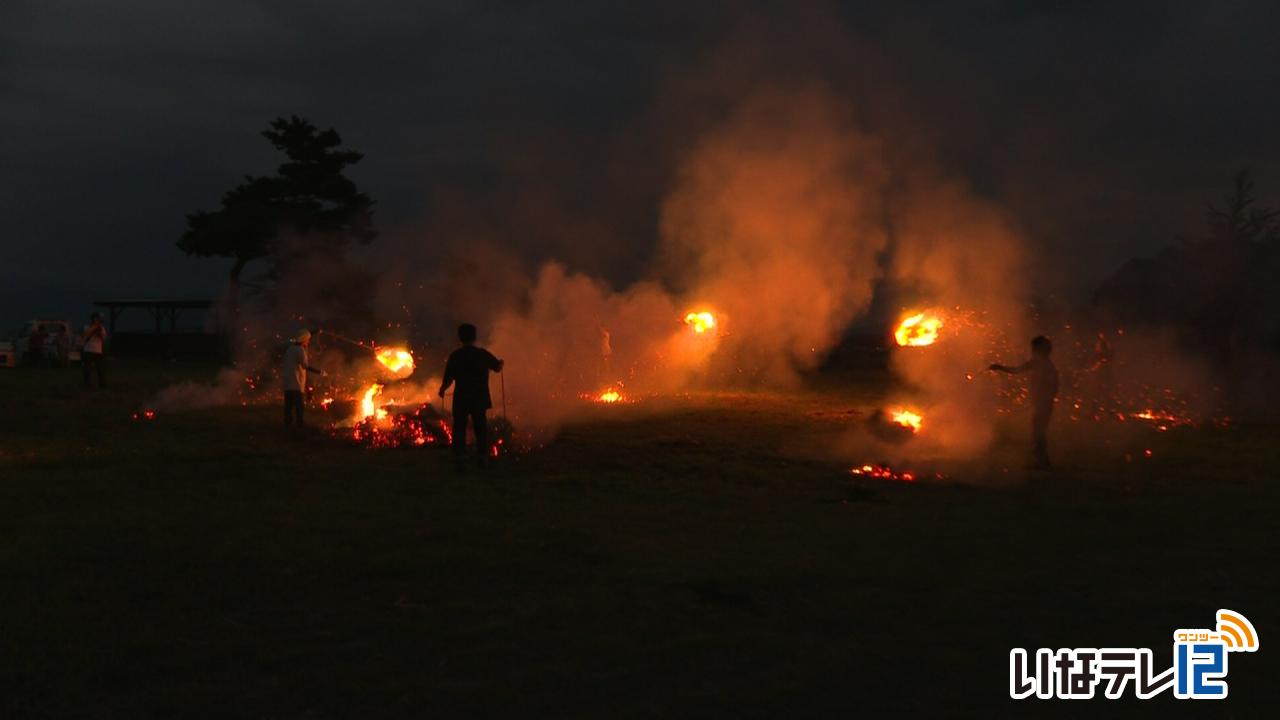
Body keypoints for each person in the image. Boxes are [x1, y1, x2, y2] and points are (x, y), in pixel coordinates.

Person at [439, 323, 504, 471]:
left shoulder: (455, 356)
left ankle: (460, 460)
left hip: (461, 398)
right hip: (479, 397)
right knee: (480, 428)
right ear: (474, 337)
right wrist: (501, 363)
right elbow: (497, 367)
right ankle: (482, 458)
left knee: (459, 429)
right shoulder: (482, 354)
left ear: (460, 338)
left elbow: (448, 378)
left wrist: (443, 389)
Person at [989, 335, 1060, 469]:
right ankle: (1041, 460)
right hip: (1043, 404)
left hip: (1043, 404)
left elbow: (1018, 370)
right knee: (1038, 431)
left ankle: (1043, 462)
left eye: (1034, 348)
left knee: (1038, 431)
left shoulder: (1041, 364)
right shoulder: (1045, 363)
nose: (1032, 351)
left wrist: (999, 367)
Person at [282, 329, 324, 427]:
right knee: (299, 408)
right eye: (308, 340)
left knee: (288, 408)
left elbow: (305, 335)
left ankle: (287, 429)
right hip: (296, 384)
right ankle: (299, 430)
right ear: (304, 340)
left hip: (288, 385)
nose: (308, 342)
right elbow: (305, 366)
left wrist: (314, 332)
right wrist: (320, 372)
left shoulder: (290, 349)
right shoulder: (300, 350)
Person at [81, 314, 108, 387]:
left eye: (97, 319)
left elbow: (104, 339)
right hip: (88, 350)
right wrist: (94, 328)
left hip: (98, 351)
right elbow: (85, 334)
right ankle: (87, 384)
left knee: (100, 369)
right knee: (87, 369)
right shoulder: (87, 326)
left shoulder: (101, 328)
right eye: (94, 319)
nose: (96, 320)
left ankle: (102, 384)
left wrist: (99, 331)